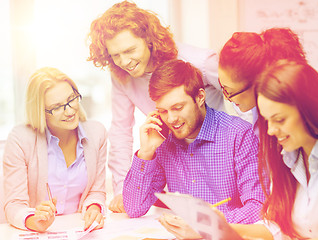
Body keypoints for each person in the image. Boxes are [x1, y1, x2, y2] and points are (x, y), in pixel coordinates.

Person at [87, 1, 225, 213]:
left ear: (149, 40)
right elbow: (121, 131)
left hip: (219, 156)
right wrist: (122, 189)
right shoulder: (120, 75)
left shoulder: (200, 62)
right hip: (177, 162)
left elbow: (243, 100)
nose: (124, 61)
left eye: (129, 50)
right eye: (115, 55)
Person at [122, 59, 265, 232]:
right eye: (163, 111)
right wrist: (146, 152)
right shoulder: (163, 142)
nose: (171, 119)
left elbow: (258, 207)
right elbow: (134, 208)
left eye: (178, 107)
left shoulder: (239, 134)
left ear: (200, 97)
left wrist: (206, 225)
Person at [229, 60, 318, 240]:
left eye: (280, 119)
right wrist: (226, 229)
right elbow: (277, 225)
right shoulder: (289, 154)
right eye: (267, 121)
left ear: (309, 110)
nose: (270, 131)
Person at [3, 67, 107, 232]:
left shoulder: (96, 133)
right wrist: (33, 220)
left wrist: (94, 208)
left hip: (79, 231)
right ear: (40, 112)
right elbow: (14, 204)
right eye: (57, 107)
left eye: (71, 99)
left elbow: (96, 191)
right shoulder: (20, 139)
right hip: (39, 233)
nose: (70, 110)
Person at [218, 28, 307, 134]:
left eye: (230, 92)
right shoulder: (258, 112)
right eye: (222, 87)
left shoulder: (292, 116)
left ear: (257, 83)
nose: (227, 98)